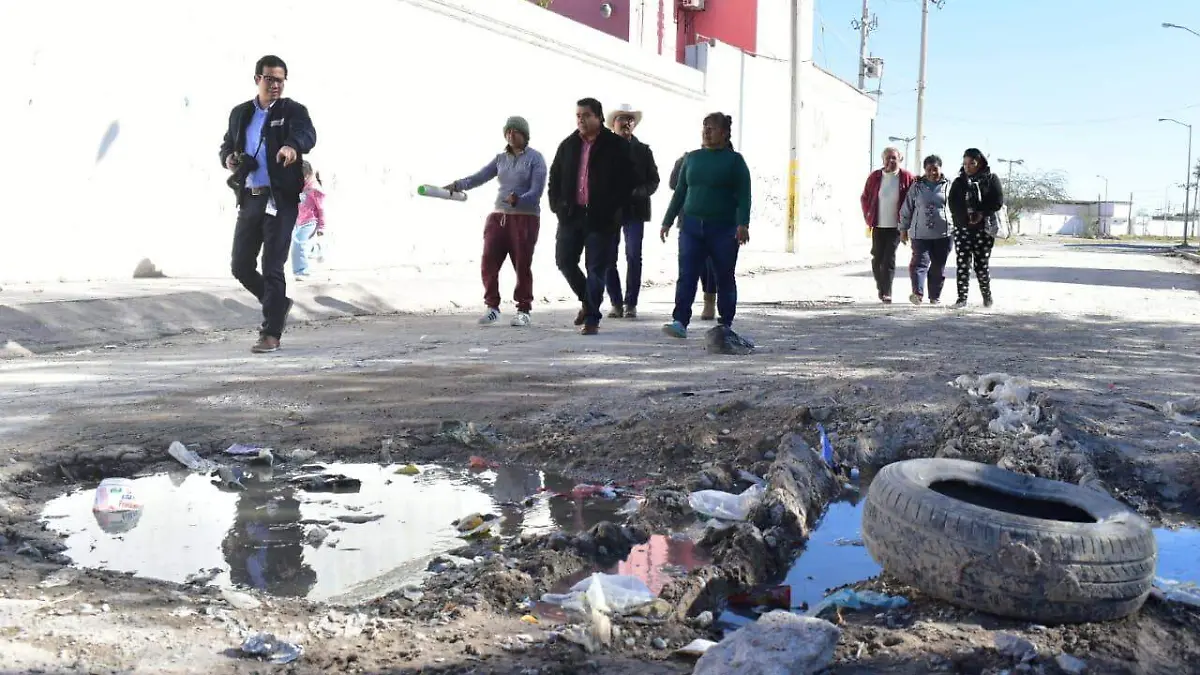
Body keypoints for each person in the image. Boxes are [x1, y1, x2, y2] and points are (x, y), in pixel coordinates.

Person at [219, 55, 317, 354]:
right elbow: (226, 144)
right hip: (251, 197)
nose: (275, 85)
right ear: (257, 79)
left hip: (280, 200)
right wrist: (229, 158)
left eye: (280, 79)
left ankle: (271, 332)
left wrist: (292, 146)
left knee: (272, 265)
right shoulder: (240, 113)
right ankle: (278, 305)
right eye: (270, 78)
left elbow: (306, 134)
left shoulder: (292, 111)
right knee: (240, 265)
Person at [445, 116, 548, 327]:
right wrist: (457, 185)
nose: (511, 135)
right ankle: (492, 307)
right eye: (508, 131)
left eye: (515, 131)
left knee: (522, 264)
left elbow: (536, 190)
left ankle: (524, 309)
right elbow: (480, 176)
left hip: (525, 218)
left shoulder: (535, 159)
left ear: (524, 135)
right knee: (488, 262)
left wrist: (519, 199)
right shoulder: (500, 158)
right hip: (498, 217)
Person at [548, 98, 635, 335]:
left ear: (598, 117)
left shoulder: (615, 146)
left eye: (586, 115)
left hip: (602, 218)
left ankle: (593, 318)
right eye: (578, 116)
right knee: (564, 261)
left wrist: (614, 209)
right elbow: (554, 178)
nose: (581, 120)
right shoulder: (568, 145)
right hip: (571, 215)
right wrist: (557, 206)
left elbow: (628, 182)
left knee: (596, 267)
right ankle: (587, 302)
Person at [660, 113, 751, 339]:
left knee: (724, 276)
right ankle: (680, 321)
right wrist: (667, 220)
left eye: (711, 128)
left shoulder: (735, 161)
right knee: (687, 275)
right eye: (704, 127)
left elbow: (744, 195)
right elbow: (680, 191)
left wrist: (743, 223)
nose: (706, 131)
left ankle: (726, 322)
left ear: (724, 133)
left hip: (723, 229)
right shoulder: (692, 158)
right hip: (691, 227)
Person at [604, 104, 660, 320]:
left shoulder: (644, 151)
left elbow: (654, 180)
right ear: (613, 124)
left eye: (629, 120)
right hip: (610, 211)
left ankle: (631, 303)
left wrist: (641, 191)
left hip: (635, 211)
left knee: (633, 255)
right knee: (609, 257)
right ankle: (616, 302)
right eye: (621, 119)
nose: (626, 123)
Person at [947, 148, 1004, 308]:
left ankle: (987, 296)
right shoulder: (959, 182)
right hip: (963, 229)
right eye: (965, 163)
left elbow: (997, 201)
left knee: (981, 265)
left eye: (972, 163)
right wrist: (965, 219)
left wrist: (981, 213)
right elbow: (953, 203)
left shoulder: (991, 179)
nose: (968, 167)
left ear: (980, 163)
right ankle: (961, 298)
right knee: (963, 263)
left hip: (984, 230)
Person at [859, 147, 915, 303]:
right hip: (878, 225)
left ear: (900, 159)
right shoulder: (875, 177)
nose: (891, 161)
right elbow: (865, 197)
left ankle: (887, 292)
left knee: (888, 258)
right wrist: (868, 215)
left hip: (896, 227)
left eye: (894, 158)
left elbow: (914, 199)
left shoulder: (906, 177)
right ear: (882, 160)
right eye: (888, 158)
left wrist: (908, 225)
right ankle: (881, 288)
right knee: (877, 258)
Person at [669, 151, 718, 321]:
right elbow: (674, 185)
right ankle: (680, 318)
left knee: (710, 265)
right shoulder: (688, 160)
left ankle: (710, 300)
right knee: (686, 269)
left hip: (716, 221)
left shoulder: (728, 161)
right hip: (688, 220)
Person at [899, 155, 953, 305]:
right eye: (928, 169)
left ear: (940, 169)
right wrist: (903, 228)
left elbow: (956, 207)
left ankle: (934, 296)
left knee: (938, 266)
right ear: (924, 170)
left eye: (935, 169)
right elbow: (907, 208)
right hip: (920, 234)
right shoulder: (917, 186)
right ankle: (918, 293)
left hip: (944, 234)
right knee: (919, 264)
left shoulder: (949, 185)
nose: (932, 173)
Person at [292, 161, 326, 280]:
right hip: (300, 221)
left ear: (306, 175)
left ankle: (302, 271)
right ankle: (316, 249)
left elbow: (321, 209)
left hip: (311, 221)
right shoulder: (301, 186)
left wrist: (321, 227)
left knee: (298, 243)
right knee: (301, 242)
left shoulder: (314, 189)